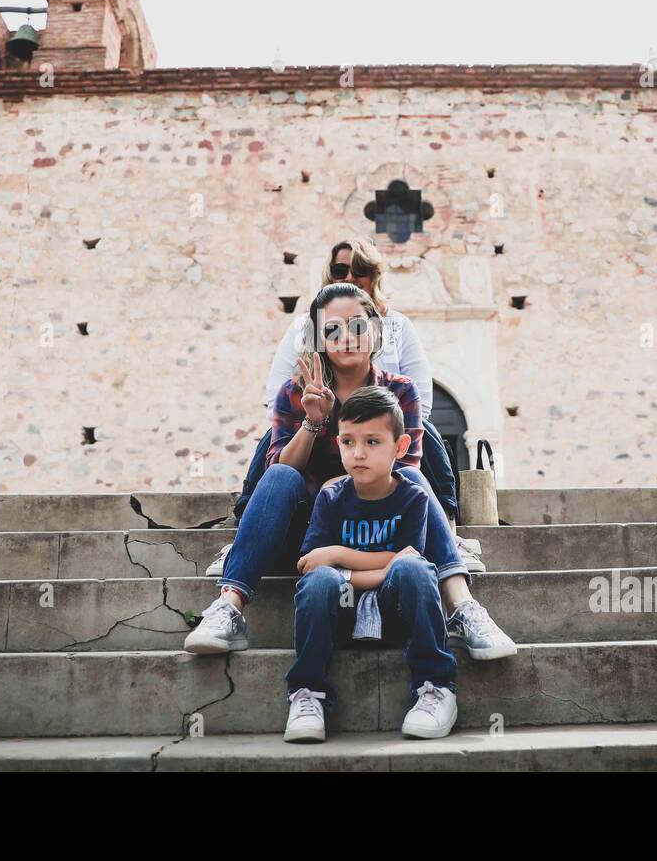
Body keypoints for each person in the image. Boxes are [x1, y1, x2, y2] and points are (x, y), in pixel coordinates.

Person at [184, 282, 515, 661]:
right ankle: (229, 608)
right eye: (332, 330)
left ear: (375, 329)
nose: (346, 338)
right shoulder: (296, 393)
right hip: (314, 535)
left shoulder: (399, 392)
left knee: (412, 478)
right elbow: (280, 471)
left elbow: (401, 473)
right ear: (319, 338)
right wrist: (312, 422)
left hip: (384, 527)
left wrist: (335, 485)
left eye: (357, 325)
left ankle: (463, 608)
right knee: (277, 475)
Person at [215, 236, 484, 573]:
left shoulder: (397, 327)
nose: (350, 276)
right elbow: (278, 397)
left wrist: (376, 424)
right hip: (321, 433)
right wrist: (314, 416)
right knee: (274, 439)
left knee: (425, 432)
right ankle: (246, 531)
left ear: (375, 277)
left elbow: (421, 398)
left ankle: (447, 530)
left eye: (360, 270)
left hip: (386, 436)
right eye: (341, 269)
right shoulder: (304, 326)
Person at [284, 386, 457, 743]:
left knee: (415, 571)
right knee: (320, 584)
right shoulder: (331, 497)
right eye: (348, 442)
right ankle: (307, 694)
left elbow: (409, 562)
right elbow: (312, 568)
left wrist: (338, 556)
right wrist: (377, 567)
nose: (358, 453)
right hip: (340, 615)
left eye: (372, 442)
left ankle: (436, 686)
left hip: (394, 612)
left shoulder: (413, 497)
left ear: (401, 447)